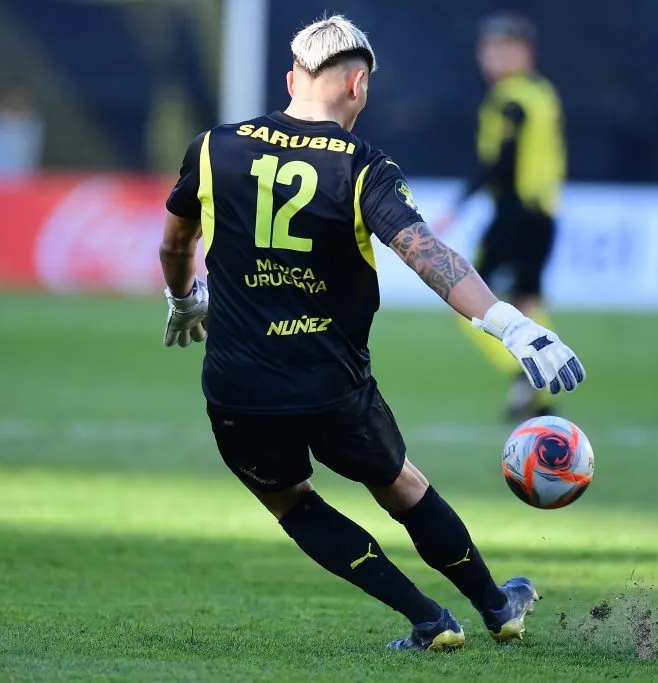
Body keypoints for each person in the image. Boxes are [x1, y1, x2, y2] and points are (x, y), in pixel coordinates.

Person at [158, 15, 585, 651]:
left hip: (239, 384)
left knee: (289, 502)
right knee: (402, 485)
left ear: (291, 80)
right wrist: (511, 324)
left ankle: (427, 619)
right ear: (358, 86)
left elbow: (175, 243)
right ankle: (497, 607)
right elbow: (425, 254)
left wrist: (183, 298)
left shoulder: (213, 148)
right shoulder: (363, 166)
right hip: (333, 383)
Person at [434, 13, 566, 422]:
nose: (494, 58)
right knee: (527, 299)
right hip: (544, 213)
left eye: (504, 49)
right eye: (490, 50)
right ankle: (544, 383)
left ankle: (525, 371)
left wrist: (458, 203)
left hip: (515, 213)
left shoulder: (508, 99)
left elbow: (499, 162)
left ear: (526, 53)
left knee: (469, 298)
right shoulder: (543, 93)